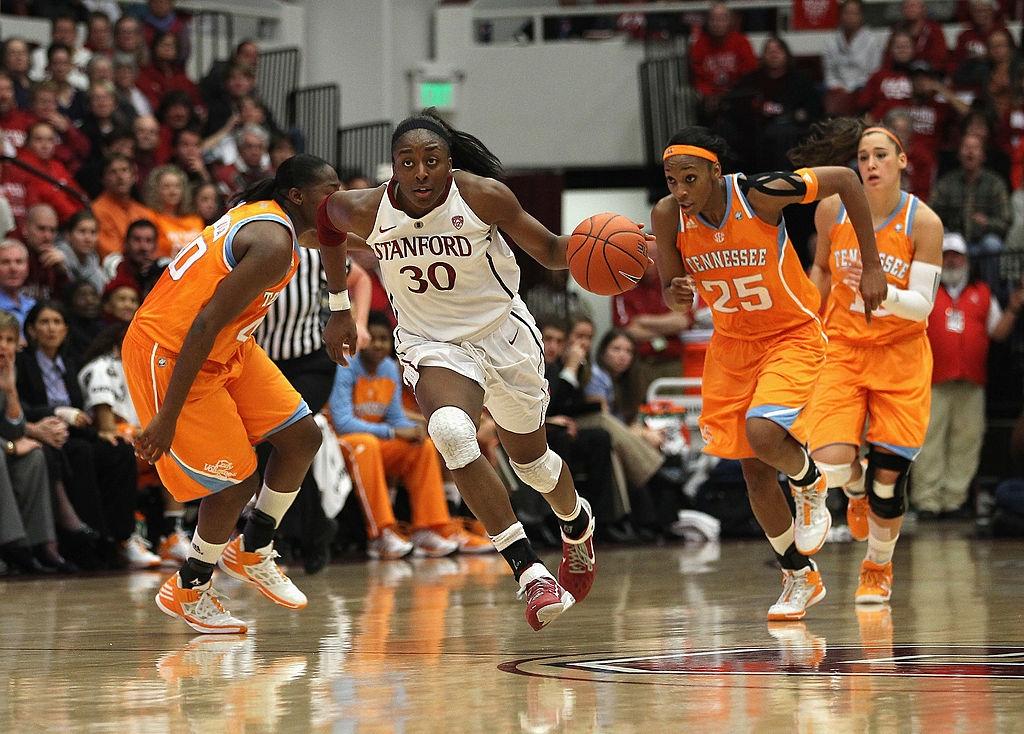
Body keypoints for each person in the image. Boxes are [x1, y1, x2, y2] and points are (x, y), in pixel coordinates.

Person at [317, 109, 599, 631]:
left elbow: (554, 251)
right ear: (393, 168)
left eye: (432, 160)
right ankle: (529, 574)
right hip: (433, 343)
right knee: (449, 431)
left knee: (533, 465)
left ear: (449, 164)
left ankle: (576, 522)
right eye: (408, 162)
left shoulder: (481, 195)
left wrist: (622, 255)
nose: (421, 172)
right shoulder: (368, 208)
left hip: (504, 337)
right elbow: (323, 223)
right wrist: (339, 306)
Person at [651, 126, 887, 621]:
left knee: (763, 433)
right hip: (731, 347)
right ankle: (799, 577)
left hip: (791, 335)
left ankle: (811, 482)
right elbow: (674, 292)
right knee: (754, 473)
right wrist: (675, 294)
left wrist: (871, 265)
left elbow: (845, 178)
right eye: (673, 180)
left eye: (691, 178)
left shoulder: (760, 194)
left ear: (716, 172)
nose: (681, 191)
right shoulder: (667, 215)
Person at [124, 154, 358, 634]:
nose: (335, 200)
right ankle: (189, 587)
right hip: (173, 350)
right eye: (327, 191)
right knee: (236, 482)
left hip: (228, 345)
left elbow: (333, 239)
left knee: (302, 438)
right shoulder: (273, 241)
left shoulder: (285, 219)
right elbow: (205, 322)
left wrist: (340, 308)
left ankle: (252, 548)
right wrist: (166, 416)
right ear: (297, 196)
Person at [790, 119, 943, 606]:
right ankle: (850, 489)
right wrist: (805, 311)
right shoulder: (833, 209)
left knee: (887, 483)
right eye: (862, 157)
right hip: (844, 349)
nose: (871, 164)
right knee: (832, 467)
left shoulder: (923, 222)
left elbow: (923, 304)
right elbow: (820, 270)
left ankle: (877, 566)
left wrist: (887, 293)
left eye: (881, 155)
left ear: (902, 162)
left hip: (901, 355)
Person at [329, 312, 490, 559]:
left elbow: (394, 416)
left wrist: (411, 430)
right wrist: (394, 431)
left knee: (422, 446)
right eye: (374, 338)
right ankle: (380, 534)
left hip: (375, 440)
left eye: (385, 339)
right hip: (340, 442)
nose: (379, 345)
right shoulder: (347, 365)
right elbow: (343, 423)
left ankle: (429, 528)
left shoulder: (388, 369)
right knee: (366, 444)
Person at [915, 232, 1023, 517]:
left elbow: (998, 332)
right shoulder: (924, 292)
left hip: (972, 382)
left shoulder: (983, 293)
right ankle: (927, 501)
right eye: (946, 254)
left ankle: (954, 500)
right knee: (929, 441)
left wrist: (1013, 307)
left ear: (966, 260)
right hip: (932, 380)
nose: (951, 260)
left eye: (957, 255)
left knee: (967, 442)